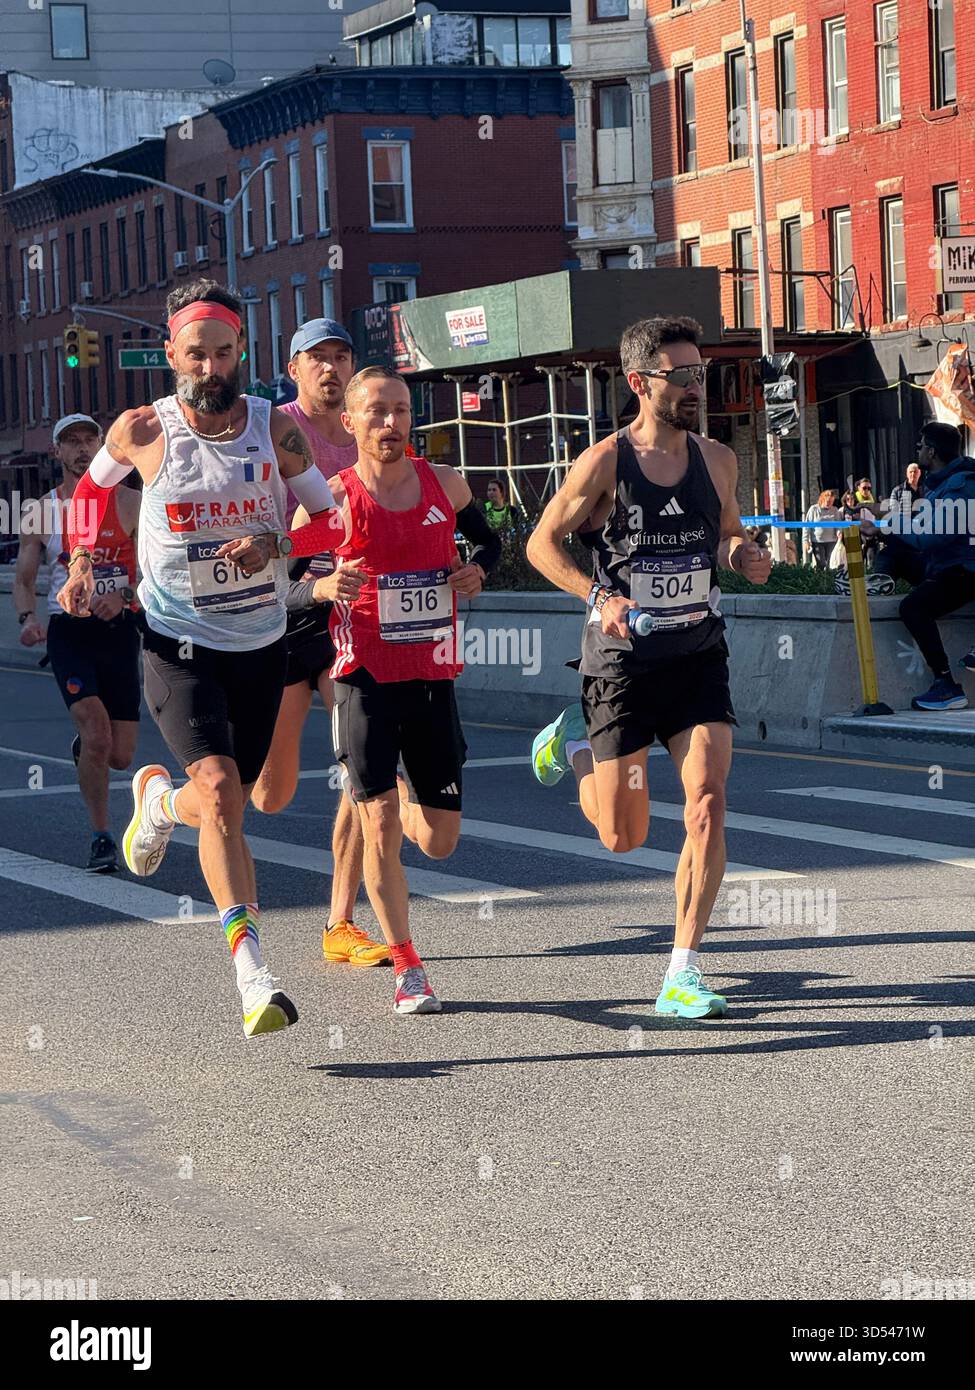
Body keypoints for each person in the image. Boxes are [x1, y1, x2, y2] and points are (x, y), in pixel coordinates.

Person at [57, 279, 341, 1038]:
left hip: (260, 639)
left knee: (224, 805)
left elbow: (331, 521)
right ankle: (253, 973)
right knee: (219, 795)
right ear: (172, 355)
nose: (211, 367)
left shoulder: (275, 432)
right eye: (196, 354)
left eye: (223, 352)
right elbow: (88, 495)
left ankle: (155, 805)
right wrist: (86, 557)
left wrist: (280, 544)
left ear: (241, 350)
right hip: (176, 641)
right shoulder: (144, 429)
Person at [526, 315, 771, 1021]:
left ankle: (682, 970)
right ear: (640, 383)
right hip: (623, 668)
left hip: (695, 656)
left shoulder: (717, 460)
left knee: (706, 804)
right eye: (682, 376)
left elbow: (724, 538)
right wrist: (596, 596)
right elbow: (542, 544)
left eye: (701, 373)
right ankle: (571, 745)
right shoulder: (605, 463)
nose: (696, 386)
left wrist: (742, 557)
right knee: (621, 833)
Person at [326, 366, 501, 1015]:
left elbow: (490, 542)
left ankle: (396, 790)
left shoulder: (443, 483)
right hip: (363, 681)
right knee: (378, 830)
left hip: (431, 678)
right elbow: (291, 571)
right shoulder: (332, 498)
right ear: (350, 422)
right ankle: (408, 967)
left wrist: (474, 571)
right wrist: (321, 587)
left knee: (438, 841)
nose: (391, 422)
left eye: (400, 410)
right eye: (376, 411)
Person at [250, 319, 388, 967]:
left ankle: (340, 922)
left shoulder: (367, 430)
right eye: (317, 359)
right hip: (281, 619)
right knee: (267, 794)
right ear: (293, 367)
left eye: (340, 357)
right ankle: (163, 803)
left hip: (352, 626)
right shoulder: (272, 430)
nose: (330, 369)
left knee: (360, 766)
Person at [13, 414, 141, 872]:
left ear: (105, 445)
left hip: (120, 627)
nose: (83, 448)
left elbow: (153, 574)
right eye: (72, 442)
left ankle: (89, 749)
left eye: (90, 439)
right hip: (68, 630)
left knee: (121, 755)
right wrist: (28, 619)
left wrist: (124, 595)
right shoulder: (42, 511)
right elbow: (25, 578)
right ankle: (101, 836)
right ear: (57, 452)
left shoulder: (132, 503)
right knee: (97, 734)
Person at [863, 421, 975, 709]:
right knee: (895, 547)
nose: (917, 451)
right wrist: (883, 530)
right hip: (944, 564)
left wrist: (890, 522)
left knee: (913, 607)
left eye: (920, 446)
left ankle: (946, 684)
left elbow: (931, 537)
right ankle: (879, 581)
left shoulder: (961, 486)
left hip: (964, 570)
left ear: (932, 451)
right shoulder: (941, 483)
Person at [873, 463, 926, 586]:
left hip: (922, 536)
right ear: (907, 474)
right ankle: (881, 585)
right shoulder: (898, 491)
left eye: (915, 472)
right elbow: (893, 512)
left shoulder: (925, 489)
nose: (913, 474)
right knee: (887, 556)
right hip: (903, 533)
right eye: (910, 472)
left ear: (920, 473)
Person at [803, 489, 840, 570]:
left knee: (830, 563)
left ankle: (829, 580)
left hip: (831, 541)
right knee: (821, 563)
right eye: (828, 501)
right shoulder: (814, 509)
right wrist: (805, 540)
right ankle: (820, 579)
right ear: (822, 499)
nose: (829, 503)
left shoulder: (835, 510)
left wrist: (839, 533)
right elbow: (807, 526)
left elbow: (838, 525)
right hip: (817, 541)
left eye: (832, 501)